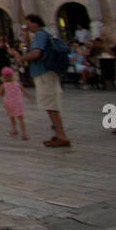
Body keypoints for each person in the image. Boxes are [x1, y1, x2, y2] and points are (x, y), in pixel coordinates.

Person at [19, 14, 71, 148]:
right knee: (51, 105)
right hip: (46, 74)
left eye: (28, 23)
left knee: (51, 105)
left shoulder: (41, 35)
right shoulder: (41, 35)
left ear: (35, 23)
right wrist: (25, 35)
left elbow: (36, 53)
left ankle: (62, 136)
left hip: (44, 74)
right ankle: (59, 134)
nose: (27, 25)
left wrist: (22, 58)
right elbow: (31, 47)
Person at [0, 66, 30, 139]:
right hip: (18, 102)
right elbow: (24, 91)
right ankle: (24, 134)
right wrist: (30, 97)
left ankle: (14, 129)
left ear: (3, 77)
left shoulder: (3, 85)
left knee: (12, 117)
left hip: (9, 103)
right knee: (21, 118)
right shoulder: (17, 83)